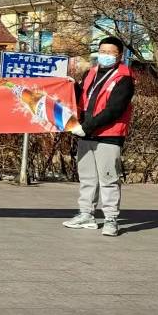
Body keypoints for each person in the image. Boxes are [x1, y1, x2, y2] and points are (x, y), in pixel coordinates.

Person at [63, 36, 135, 237]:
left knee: (109, 179)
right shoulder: (91, 73)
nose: (105, 55)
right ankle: (86, 214)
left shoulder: (124, 78)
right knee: (87, 178)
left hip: (108, 135)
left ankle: (111, 219)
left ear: (119, 55)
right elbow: (83, 97)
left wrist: (87, 127)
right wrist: (72, 86)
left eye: (110, 52)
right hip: (86, 133)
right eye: (102, 51)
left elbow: (115, 109)